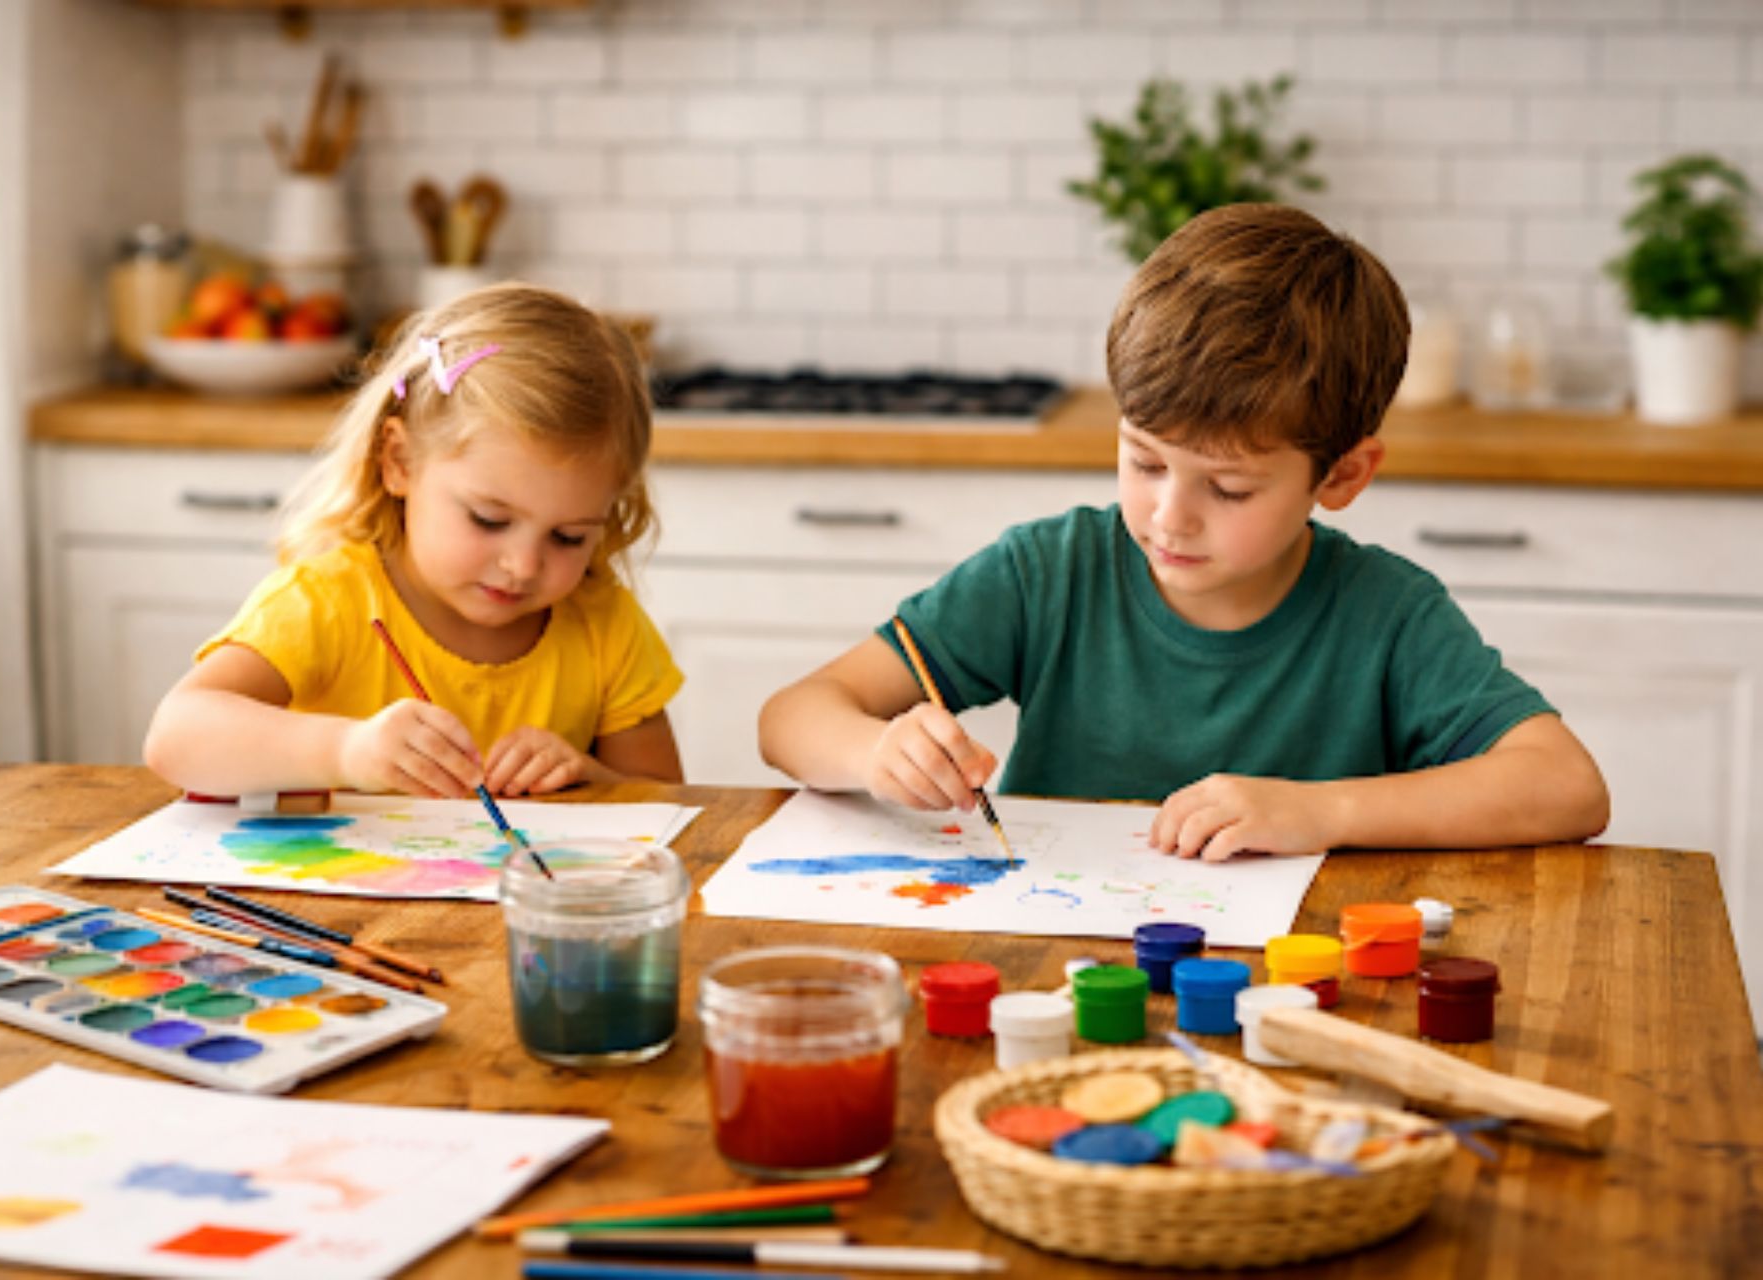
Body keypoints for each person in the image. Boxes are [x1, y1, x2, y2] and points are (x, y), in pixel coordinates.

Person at [758, 203, 1609, 861]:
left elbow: (1567, 785)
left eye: (1229, 487)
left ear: (1343, 475)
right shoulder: (1047, 574)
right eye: (1145, 461)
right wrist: (877, 754)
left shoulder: (1386, 614)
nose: (1169, 516)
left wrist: (1322, 809)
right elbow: (791, 716)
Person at [146, 282, 683, 800]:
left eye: (569, 537)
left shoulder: (602, 622)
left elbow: (675, 804)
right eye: (489, 520)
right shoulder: (327, 602)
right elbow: (175, 737)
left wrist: (589, 776)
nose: (522, 565)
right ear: (399, 462)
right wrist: (347, 750)